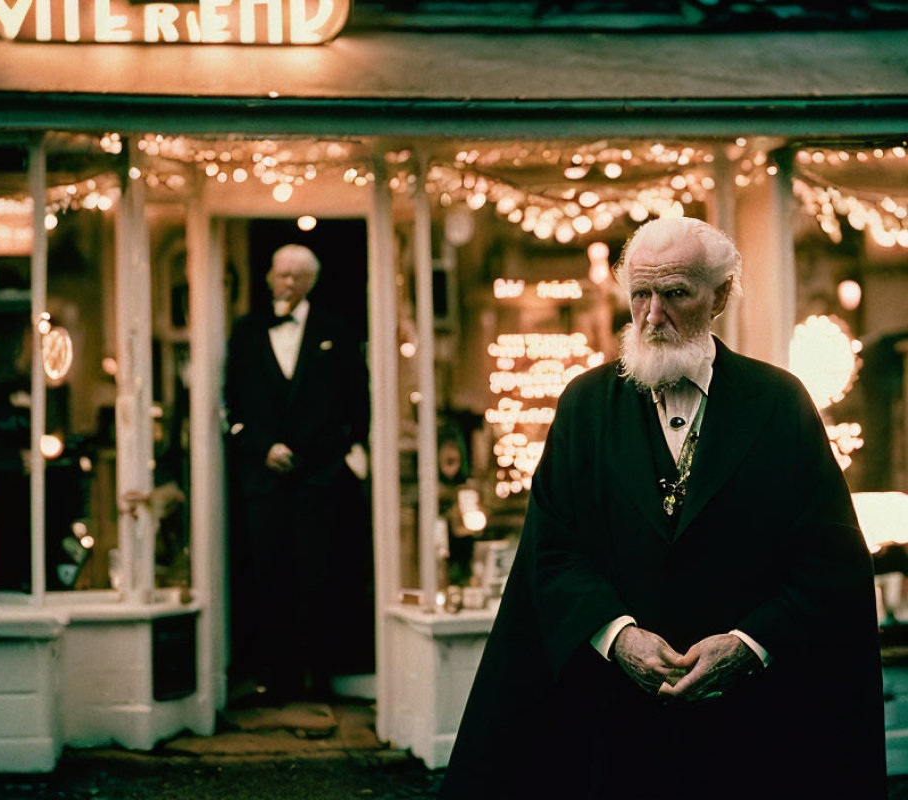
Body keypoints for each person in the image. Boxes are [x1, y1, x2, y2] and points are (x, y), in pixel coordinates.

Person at [439, 218, 885, 799]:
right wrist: (617, 635)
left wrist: (749, 646)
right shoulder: (585, 406)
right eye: (641, 294)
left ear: (720, 296)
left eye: (675, 294)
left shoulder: (779, 404)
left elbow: (831, 563)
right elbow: (552, 550)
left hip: (751, 729)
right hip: (612, 724)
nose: (652, 316)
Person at [224, 243, 369, 701]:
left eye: (298, 276)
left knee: (320, 575)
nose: (288, 283)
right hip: (263, 480)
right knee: (268, 576)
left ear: (312, 281)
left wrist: (347, 454)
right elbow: (230, 402)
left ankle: (321, 674)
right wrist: (258, 447)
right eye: (282, 275)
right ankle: (278, 676)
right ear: (268, 277)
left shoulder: (335, 330)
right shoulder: (246, 332)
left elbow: (358, 399)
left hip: (321, 478)